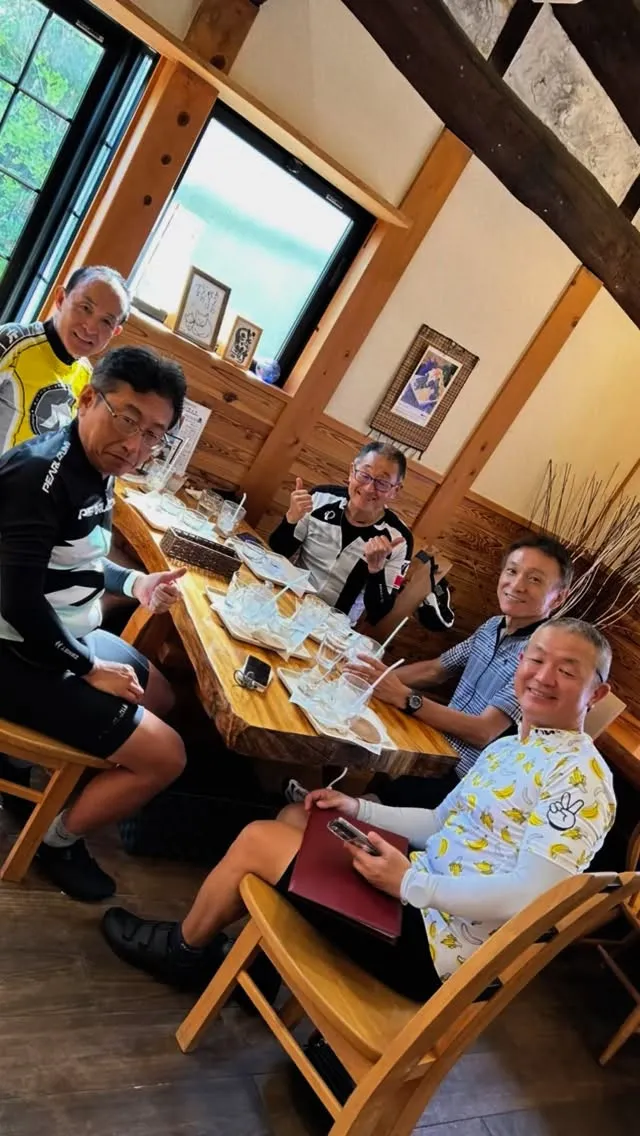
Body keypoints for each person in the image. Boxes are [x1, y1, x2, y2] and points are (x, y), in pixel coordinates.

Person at [101, 619, 615, 1008]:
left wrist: (411, 883)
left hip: (436, 951)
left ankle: (183, 953)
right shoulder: (509, 748)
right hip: (422, 895)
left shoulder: (582, 780)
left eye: (567, 670)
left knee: (259, 839)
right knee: (296, 818)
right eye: (536, 659)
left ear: (597, 693)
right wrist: (357, 806)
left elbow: (531, 897)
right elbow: (439, 823)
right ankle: (260, 972)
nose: (543, 676)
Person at [0, 346, 188, 902]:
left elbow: (75, 557)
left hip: (60, 635)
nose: (136, 446)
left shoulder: (96, 464)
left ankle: (50, 773)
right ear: (87, 399)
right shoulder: (40, 475)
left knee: (161, 696)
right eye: (127, 419)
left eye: (154, 434)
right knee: (169, 757)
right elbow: (18, 601)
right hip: (17, 649)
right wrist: (87, 668)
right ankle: (55, 841)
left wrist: (136, 584)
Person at [351, 534, 573, 809]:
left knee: (358, 798)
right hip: (432, 751)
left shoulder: (541, 658)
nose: (517, 585)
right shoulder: (493, 625)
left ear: (558, 597)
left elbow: (484, 732)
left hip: (465, 784)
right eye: (512, 571)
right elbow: (436, 669)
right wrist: (371, 674)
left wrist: (407, 698)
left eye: (535, 579)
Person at [268, 441, 413, 625]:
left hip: (334, 628)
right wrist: (290, 520)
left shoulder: (399, 539)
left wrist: (377, 571)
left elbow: (378, 612)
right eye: (365, 475)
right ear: (352, 471)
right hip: (289, 600)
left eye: (382, 483)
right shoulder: (320, 498)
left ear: (395, 490)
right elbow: (276, 553)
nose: (369, 488)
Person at [0, 264, 130, 454]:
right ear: (61, 298)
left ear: (115, 332)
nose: (90, 328)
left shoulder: (88, 378)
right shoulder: (13, 342)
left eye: (106, 321)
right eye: (85, 308)